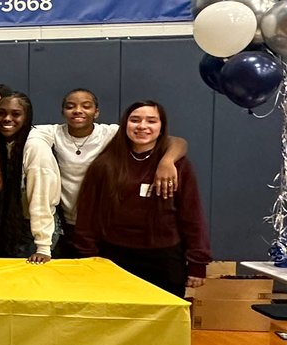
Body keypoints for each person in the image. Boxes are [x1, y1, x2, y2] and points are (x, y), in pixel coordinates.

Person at [74, 100, 210, 345]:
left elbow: (192, 216)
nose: (143, 127)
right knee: (119, 326)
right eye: (136, 120)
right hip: (114, 259)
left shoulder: (177, 165)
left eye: (151, 121)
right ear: (125, 124)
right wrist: (87, 257)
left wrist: (198, 262)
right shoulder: (106, 163)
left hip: (163, 258)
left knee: (168, 330)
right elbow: (88, 216)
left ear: (162, 126)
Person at [29, 88, 187, 258]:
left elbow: (177, 141)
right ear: (63, 112)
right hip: (67, 221)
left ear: (96, 112)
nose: (78, 110)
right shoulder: (51, 132)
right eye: (70, 106)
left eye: (86, 106)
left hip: (102, 223)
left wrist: (167, 161)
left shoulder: (110, 133)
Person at [0, 91, 60, 263]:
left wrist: (43, 247)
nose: (7, 119)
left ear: (27, 117)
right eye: (2, 113)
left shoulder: (35, 147)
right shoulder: (4, 143)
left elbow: (41, 199)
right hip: (13, 225)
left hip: (37, 230)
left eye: (15, 114)